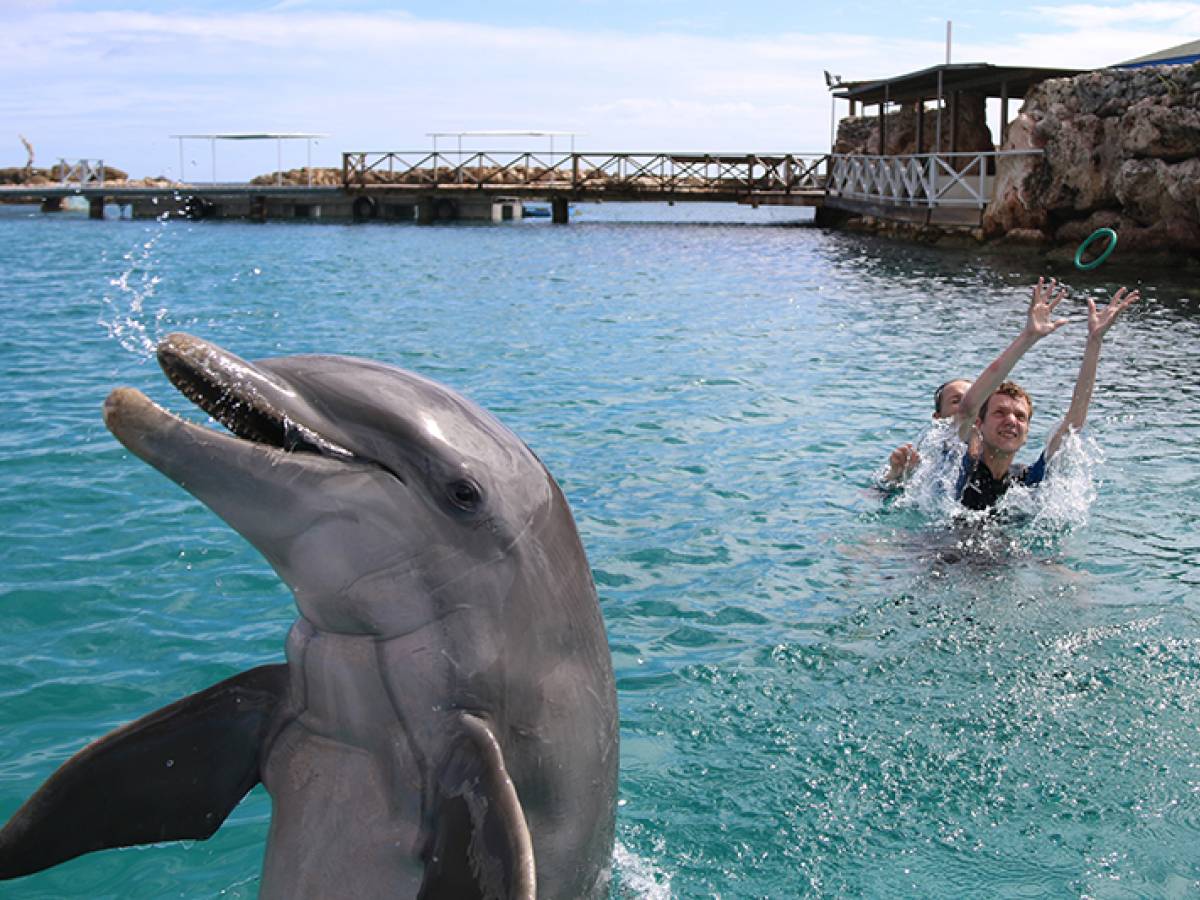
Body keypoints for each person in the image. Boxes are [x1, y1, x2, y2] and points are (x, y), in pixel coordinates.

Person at [951, 277, 1139, 510]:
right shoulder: (959, 466)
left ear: (1027, 432)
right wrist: (1028, 337)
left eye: (1020, 417)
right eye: (1000, 412)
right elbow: (968, 407)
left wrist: (1095, 341)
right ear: (979, 424)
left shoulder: (1026, 482)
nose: (1011, 421)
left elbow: (1073, 424)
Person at [883, 378, 972, 484]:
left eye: (973, 400)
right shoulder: (930, 455)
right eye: (956, 401)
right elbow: (875, 494)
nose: (967, 405)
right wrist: (898, 477)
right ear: (938, 418)